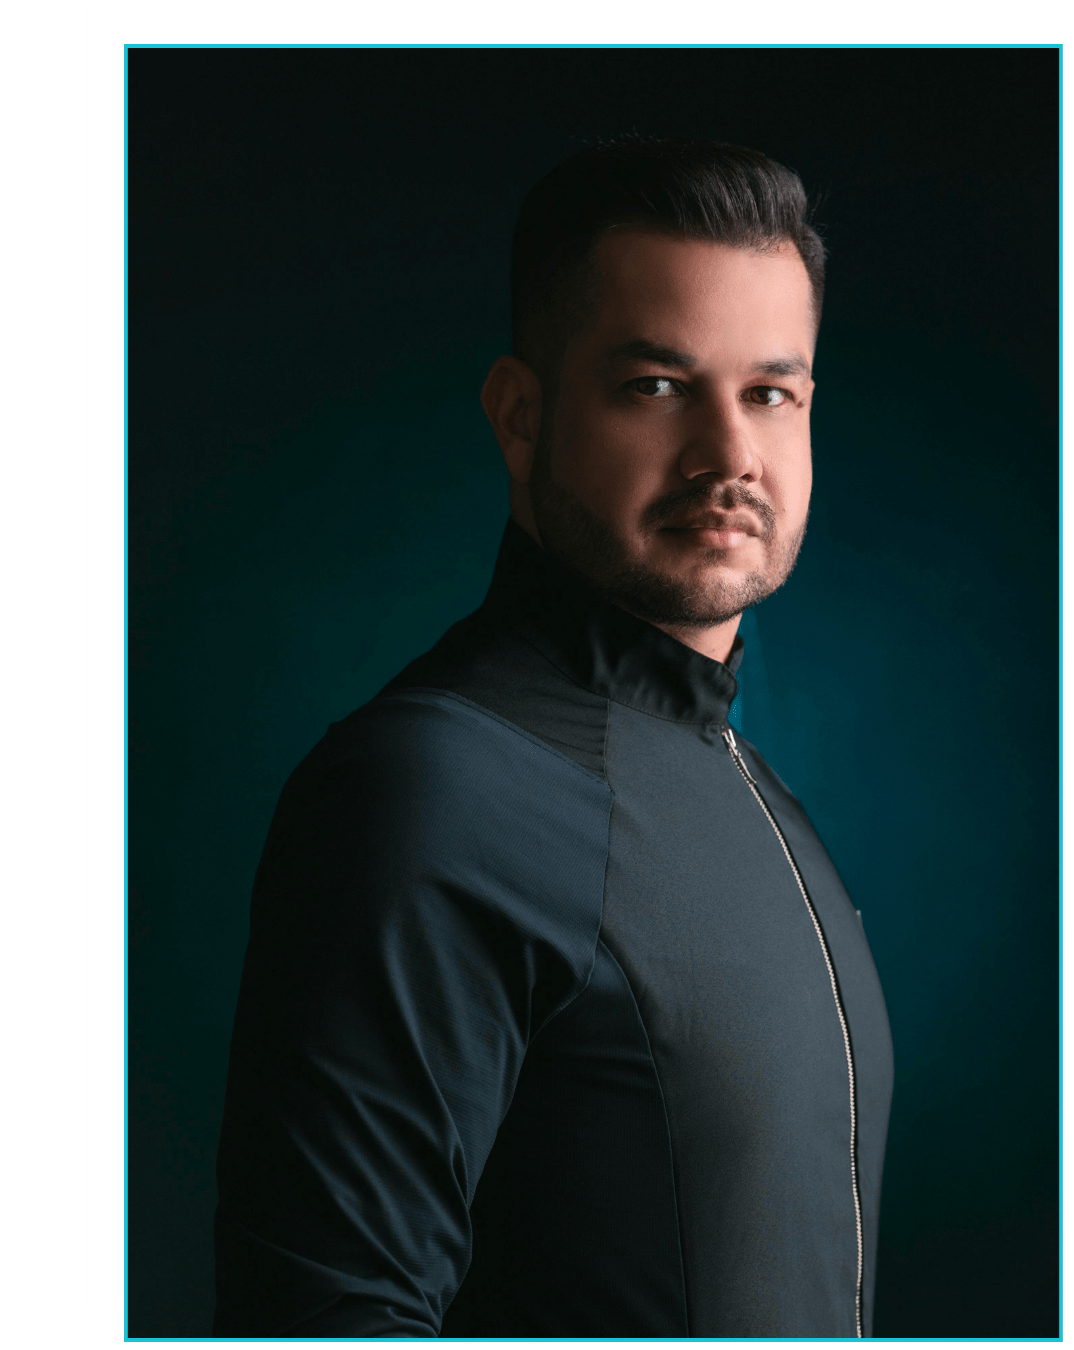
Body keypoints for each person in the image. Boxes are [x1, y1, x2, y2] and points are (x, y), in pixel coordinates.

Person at [213, 137, 894, 1339]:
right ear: (522, 416)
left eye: (769, 393)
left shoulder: (750, 787)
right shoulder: (431, 790)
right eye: (658, 386)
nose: (730, 456)